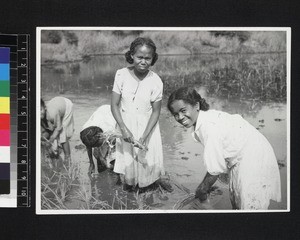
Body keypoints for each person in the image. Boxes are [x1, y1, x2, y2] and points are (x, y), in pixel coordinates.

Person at [167, 87, 281, 210]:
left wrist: (202, 189)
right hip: (242, 156)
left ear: (196, 105)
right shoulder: (204, 120)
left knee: (250, 205)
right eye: (175, 114)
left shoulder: (209, 126)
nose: (180, 117)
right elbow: (219, 160)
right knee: (238, 202)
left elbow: (215, 169)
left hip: (254, 158)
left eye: (183, 110)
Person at [111, 37, 172, 192]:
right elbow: (114, 105)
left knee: (147, 164)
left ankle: (148, 188)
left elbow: (156, 111)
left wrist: (144, 136)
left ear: (153, 59)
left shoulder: (156, 80)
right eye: (139, 57)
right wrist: (123, 129)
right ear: (132, 55)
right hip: (126, 124)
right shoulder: (121, 75)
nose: (143, 62)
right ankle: (130, 188)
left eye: (147, 58)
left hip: (147, 127)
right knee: (128, 165)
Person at [80, 104, 117, 174]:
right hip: (101, 112)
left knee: (113, 154)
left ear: (101, 136)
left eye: (97, 145)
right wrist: (91, 162)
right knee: (98, 155)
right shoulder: (85, 131)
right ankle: (102, 171)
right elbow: (88, 145)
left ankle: (114, 172)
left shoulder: (110, 129)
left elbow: (116, 144)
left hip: (111, 112)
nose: (96, 147)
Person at [41, 97, 74, 165]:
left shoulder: (53, 113)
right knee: (48, 132)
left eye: (40, 110)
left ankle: (68, 157)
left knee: (63, 134)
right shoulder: (39, 117)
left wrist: (51, 139)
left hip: (66, 105)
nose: (39, 113)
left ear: (45, 108)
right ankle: (54, 152)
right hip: (56, 104)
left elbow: (59, 128)